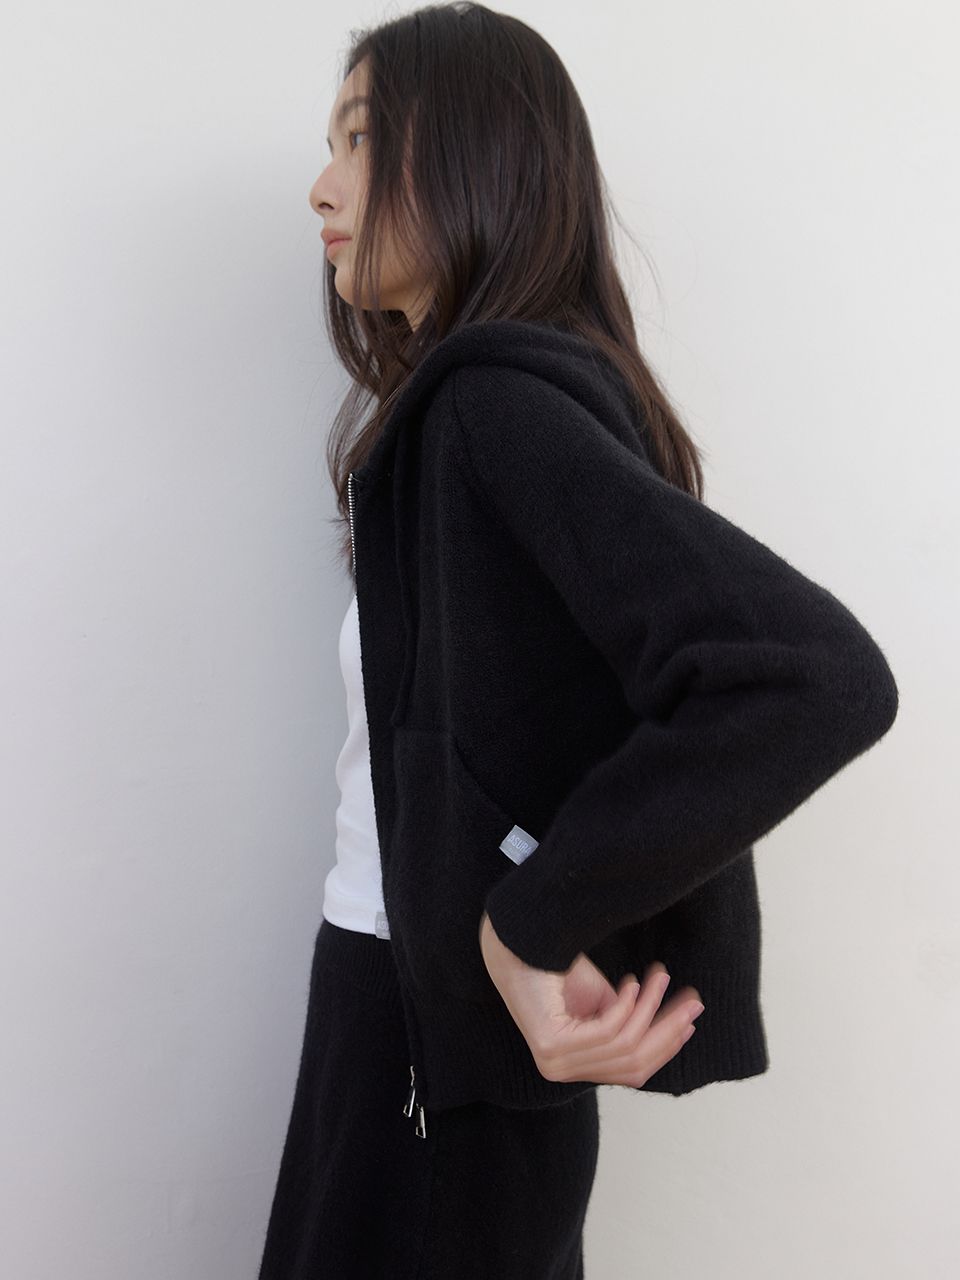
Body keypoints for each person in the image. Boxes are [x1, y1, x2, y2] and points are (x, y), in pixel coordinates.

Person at [257, 5, 900, 1277]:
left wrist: (528, 924)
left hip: (432, 1035)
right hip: (390, 1000)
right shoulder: (464, 413)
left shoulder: (494, 403)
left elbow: (812, 676)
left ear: (473, 157)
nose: (321, 187)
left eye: (360, 139)